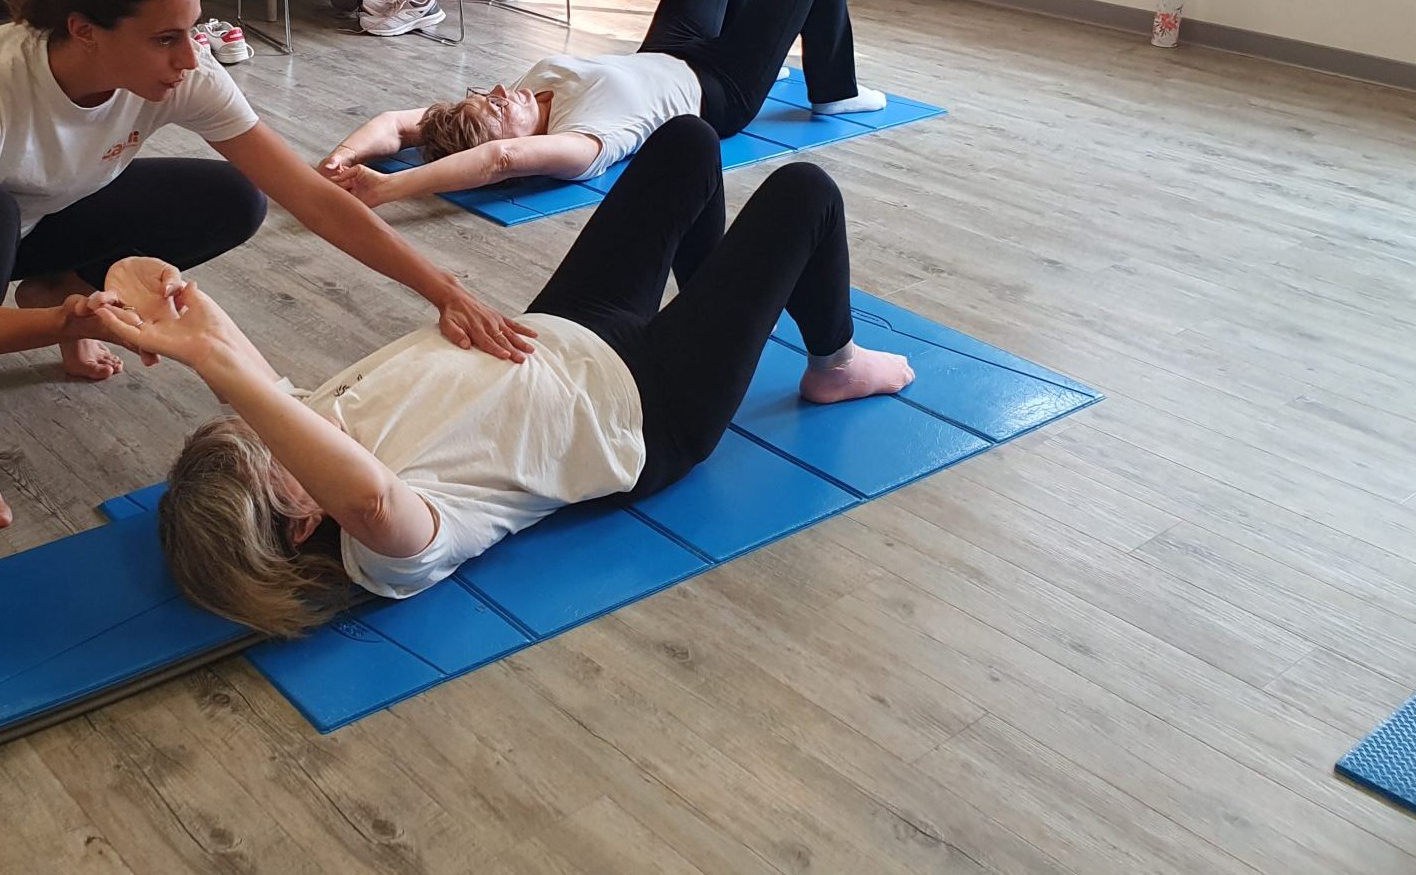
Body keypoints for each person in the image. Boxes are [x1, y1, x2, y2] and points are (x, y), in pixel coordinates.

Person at [0, 0, 535, 538]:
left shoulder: (181, 71)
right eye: (167, 38)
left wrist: (442, 289)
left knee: (232, 197)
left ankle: (52, 282)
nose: (191, 57)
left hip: (37, 216)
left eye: (194, 30)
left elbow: (309, 196)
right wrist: (74, 325)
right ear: (84, 31)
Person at [95, 116, 916, 637]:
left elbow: (258, 390)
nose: (278, 418)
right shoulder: (390, 548)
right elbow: (363, 492)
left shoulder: (306, 443)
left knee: (687, 145)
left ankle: (722, 307)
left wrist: (179, 310)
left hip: (561, 328)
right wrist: (222, 371)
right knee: (804, 192)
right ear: (305, 519)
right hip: (645, 407)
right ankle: (835, 361)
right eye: (266, 448)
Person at [317, 0, 887, 207]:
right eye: (495, 107)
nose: (499, 90)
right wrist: (390, 191)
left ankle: (754, 40)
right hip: (721, 89)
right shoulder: (580, 144)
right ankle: (833, 87)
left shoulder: (522, 98)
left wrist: (340, 160)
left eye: (485, 94)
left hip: (670, 50)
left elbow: (397, 123)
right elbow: (499, 158)